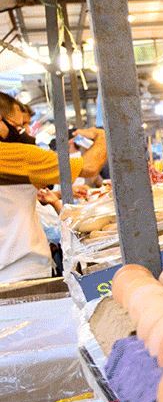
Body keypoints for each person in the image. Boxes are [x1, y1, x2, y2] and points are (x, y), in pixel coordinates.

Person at [0, 92, 108, 282]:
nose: (26, 132)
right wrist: (102, 136)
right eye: (19, 126)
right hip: (20, 270)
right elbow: (90, 167)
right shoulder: (15, 155)